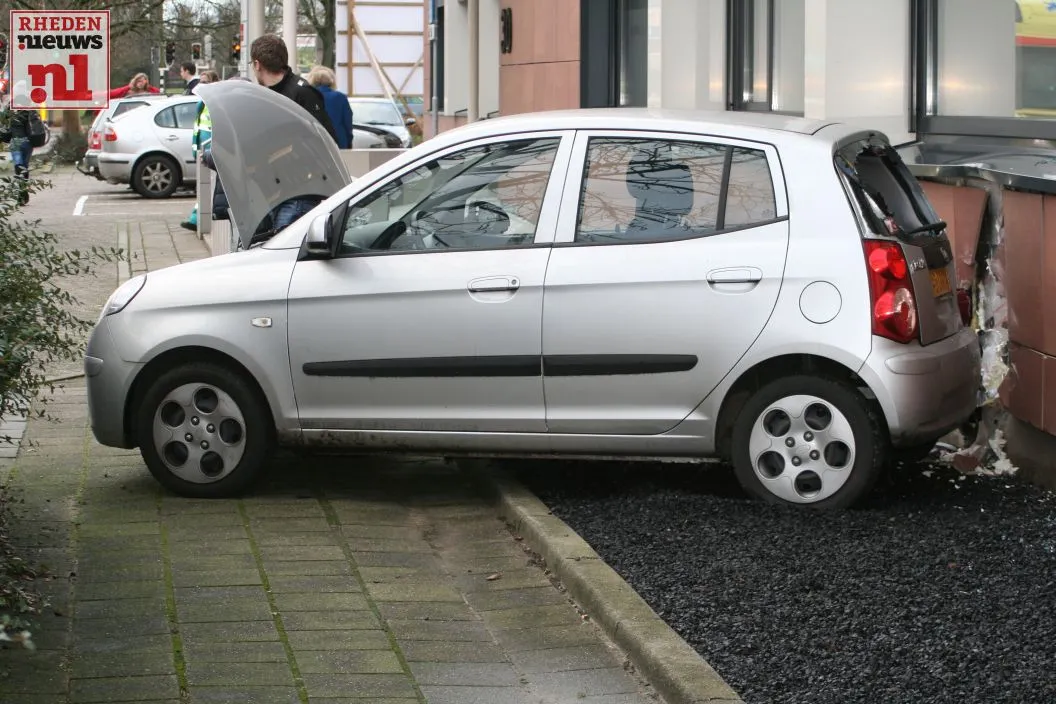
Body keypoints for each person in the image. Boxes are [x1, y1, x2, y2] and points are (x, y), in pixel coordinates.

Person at [250, 34, 339, 230]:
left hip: (298, 193)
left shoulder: (302, 93)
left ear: (257, 64)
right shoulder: (262, 95)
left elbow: (327, 141)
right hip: (272, 193)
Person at [180, 71, 221, 231]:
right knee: (204, 187)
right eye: (200, 82)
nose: (200, 85)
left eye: (205, 82)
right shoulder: (202, 104)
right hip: (202, 152)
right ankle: (196, 219)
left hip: (210, 153)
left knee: (208, 187)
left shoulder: (214, 103)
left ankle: (195, 219)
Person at [306, 65, 353, 149]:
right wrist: (349, 139)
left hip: (315, 141)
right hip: (339, 140)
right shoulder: (340, 97)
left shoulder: (307, 96)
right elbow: (347, 121)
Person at [0, 97, 34, 206]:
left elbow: (2, 120)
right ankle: (23, 193)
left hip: (15, 142)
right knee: (24, 167)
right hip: (28, 142)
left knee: (19, 167)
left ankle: (22, 194)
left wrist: (8, 107)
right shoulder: (29, 110)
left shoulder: (10, 111)